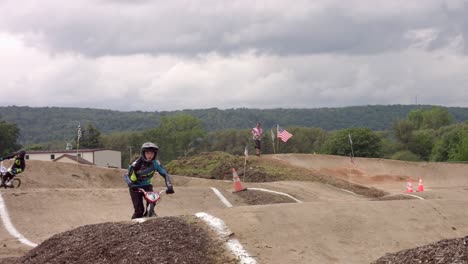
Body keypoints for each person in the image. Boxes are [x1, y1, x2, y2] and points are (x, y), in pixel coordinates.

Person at [124, 142, 174, 219]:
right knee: (139, 211)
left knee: (151, 206)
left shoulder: (156, 163)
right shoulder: (136, 164)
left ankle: (149, 221)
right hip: (135, 187)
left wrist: (169, 185)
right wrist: (130, 184)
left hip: (147, 186)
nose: (150, 156)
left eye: (152, 153)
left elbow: (165, 174)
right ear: (143, 153)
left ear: (155, 154)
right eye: (147, 153)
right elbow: (126, 175)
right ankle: (132, 226)